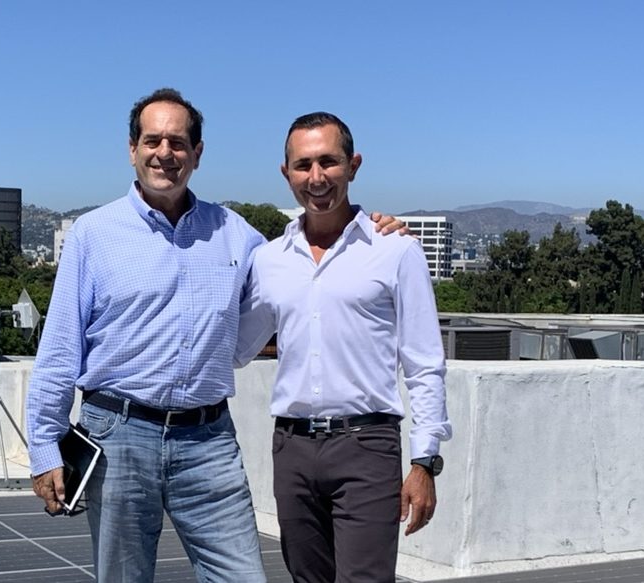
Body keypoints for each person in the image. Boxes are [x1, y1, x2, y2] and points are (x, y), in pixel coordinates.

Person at [27, 89, 405, 582]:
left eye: (179, 142)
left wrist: (371, 228)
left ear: (198, 153)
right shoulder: (92, 234)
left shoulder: (238, 235)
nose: (165, 152)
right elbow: (59, 349)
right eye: (153, 140)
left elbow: (301, 264)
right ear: (132, 149)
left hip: (207, 441)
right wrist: (44, 447)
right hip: (118, 435)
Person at [236, 111, 452, 583]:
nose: (316, 178)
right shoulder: (269, 260)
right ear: (286, 173)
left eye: (329, 163)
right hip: (290, 449)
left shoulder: (395, 250)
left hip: (366, 446)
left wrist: (424, 461)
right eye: (303, 165)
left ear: (353, 165)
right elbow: (235, 348)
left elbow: (423, 363)